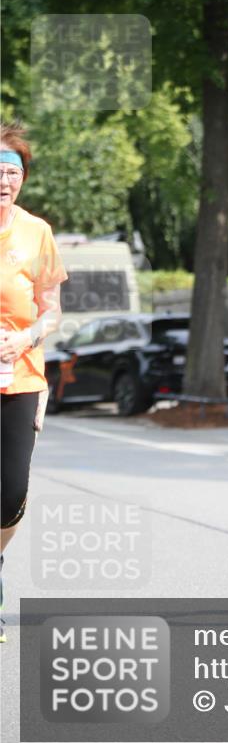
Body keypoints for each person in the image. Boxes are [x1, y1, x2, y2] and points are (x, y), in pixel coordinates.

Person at [0, 122, 67, 643]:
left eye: (13, 171)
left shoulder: (36, 232)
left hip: (20, 377)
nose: (4, 180)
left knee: (11, 492)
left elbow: (52, 310)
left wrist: (26, 338)